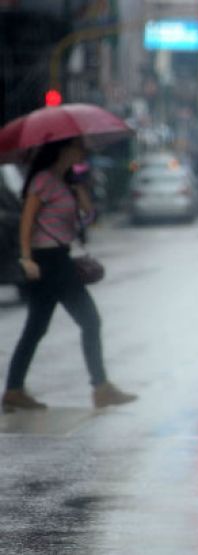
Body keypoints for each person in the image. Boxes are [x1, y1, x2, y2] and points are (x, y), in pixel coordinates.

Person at [3, 138, 138, 413]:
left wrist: (81, 195)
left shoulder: (65, 182)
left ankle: (14, 389)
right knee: (90, 320)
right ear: (63, 150)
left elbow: (86, 219)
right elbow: (28, 220)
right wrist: (27, 257)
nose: (83, 152)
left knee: (36, 328)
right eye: (78, 147)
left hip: (60, 257)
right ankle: (101, 387)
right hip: (48, 261)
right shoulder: (42, 180)